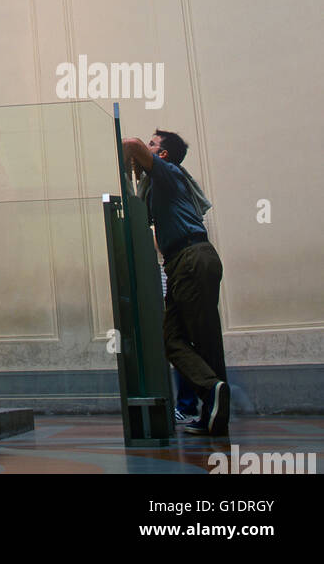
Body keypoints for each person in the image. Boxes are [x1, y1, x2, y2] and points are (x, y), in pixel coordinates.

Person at [123, 129, 229, 436]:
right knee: (181, 339)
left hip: (190, 259)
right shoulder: (159, 185)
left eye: (153, 144)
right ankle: (214, 410)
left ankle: (211, 392)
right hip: (189, 260)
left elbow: (131, 144)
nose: (147, 145)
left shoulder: (168, 174)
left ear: (163, 155)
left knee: (186, 340)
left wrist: (122, 157)